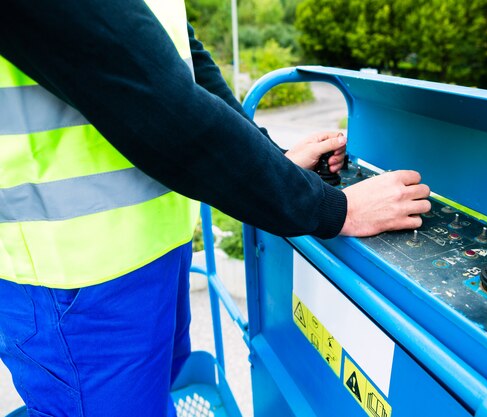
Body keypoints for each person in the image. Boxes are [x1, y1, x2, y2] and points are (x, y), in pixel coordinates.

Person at [0, 1, 431, 416]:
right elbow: (152, 97)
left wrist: (270, 157)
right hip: (71, 286)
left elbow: (187, 65)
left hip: (150, 257)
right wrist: (334, 209)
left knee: (158, 396)